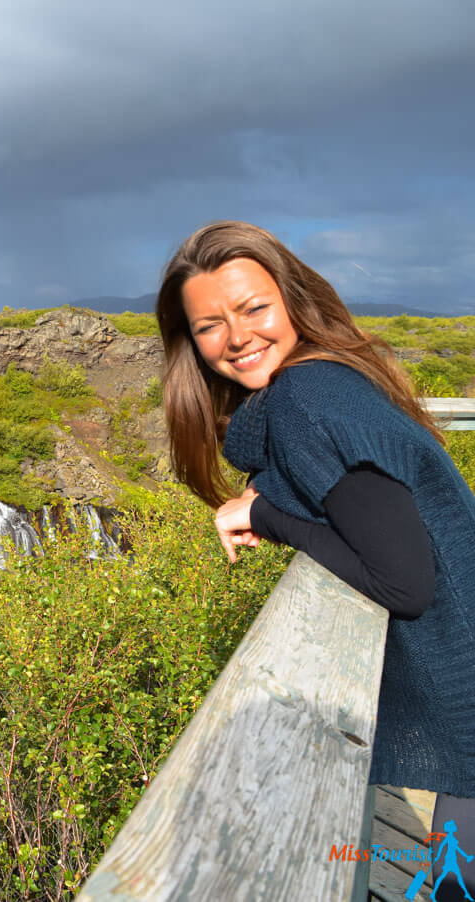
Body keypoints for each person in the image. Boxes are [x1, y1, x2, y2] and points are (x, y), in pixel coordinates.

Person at [155, 220, 475, 901]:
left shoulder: (305, 403)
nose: (236, 338)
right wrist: (269, 492)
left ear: (292, 300)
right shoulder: (328, 382)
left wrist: (265, 515)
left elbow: (403, 584)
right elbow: (361, 500)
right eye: (209, 325)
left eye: (252, 309)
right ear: (190, 341)